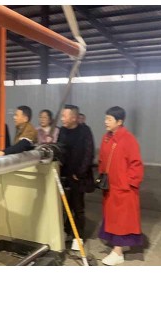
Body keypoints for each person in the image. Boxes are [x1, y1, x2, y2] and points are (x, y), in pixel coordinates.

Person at [97, 106, 144, 266]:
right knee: (113, 218)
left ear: (119, 121)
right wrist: (102, 176)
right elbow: (102, 159)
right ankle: (120, 246)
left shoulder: (128, 139)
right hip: (110, 187)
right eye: (106, 118)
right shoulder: (107, 138)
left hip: (123, 189)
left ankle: (117, 252)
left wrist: (129, 183)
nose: (106, 122)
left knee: (121, 221)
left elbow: (136, 164)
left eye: (109, 119)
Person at [57, 104, 95, 246]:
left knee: (78, 208)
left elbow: (89, 154)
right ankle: (67, 231)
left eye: (64, 116)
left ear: (74, 118)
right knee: (65, 207)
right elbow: (59, 150)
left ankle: (78, 238)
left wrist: (80, 173)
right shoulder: (62, 131)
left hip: (78, 178)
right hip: (64, 177)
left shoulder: (85, 131)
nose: (62, 119)